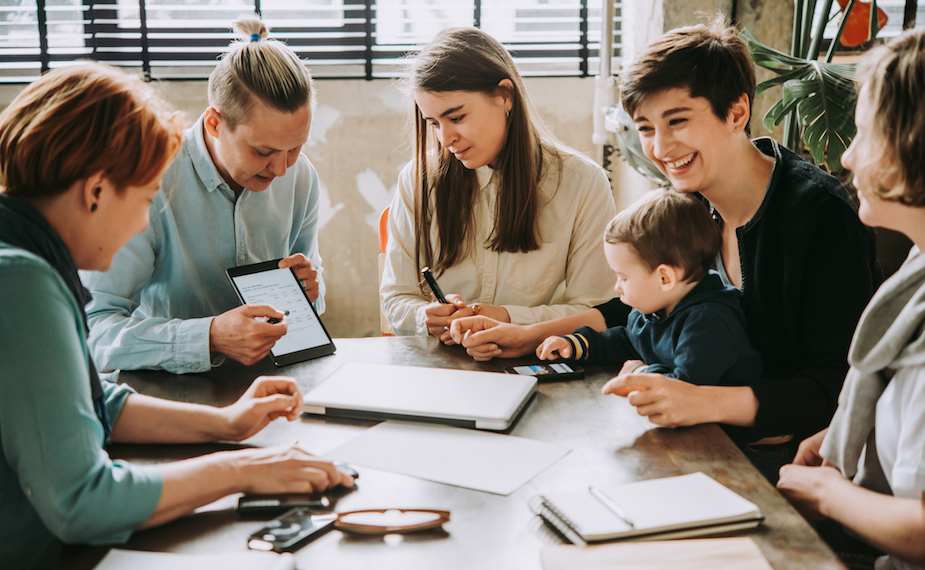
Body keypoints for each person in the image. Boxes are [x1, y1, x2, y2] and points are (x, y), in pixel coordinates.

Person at [451, 17, 881, 481]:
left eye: (677, 121)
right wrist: (526, 335)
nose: (659, 147)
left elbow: (839, 385)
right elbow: (634, 307)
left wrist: (697, 399)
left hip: (793, 463)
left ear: (736, 113)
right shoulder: (689, 199)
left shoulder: (818, 216)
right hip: (696, 442)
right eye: (646, 127)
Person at [0, 63, 353, 570]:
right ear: (96, 192)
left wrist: (226, 423)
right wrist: (243, 469)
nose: (147, 219)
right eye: (145, 199)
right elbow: (83, 502)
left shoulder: (24, 260)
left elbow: (92, 400)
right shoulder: (21, 283)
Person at [83, 15, 326, 374]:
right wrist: (209, 336)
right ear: (215, 123)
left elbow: (311, 309)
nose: (281, 169)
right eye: (262, 152)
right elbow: (94, 332)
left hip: (273, 380)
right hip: (165, 393)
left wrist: (307, 294)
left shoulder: (301, 176)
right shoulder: (148, 179)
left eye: (295, 148)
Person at [777, 27, 925, 570]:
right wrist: (847, 437)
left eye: (865, 134)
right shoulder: (918, 261)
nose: (847, 156)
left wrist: (826, 494)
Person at [380, 26, 617, 339]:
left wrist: (505, 318)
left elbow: (596, 311)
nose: (446, 138)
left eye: (457, 117)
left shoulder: (584, 184)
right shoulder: (418, 180)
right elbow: (396, 299)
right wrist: (426, 317)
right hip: (441, 369)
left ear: (505, 96)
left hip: (538, 363)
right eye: (434, 124)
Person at [537, 189, 761, 387]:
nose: (618, 287)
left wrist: (639, 372)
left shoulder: (708, 323)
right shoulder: (654, 309)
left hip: (735, 433)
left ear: (665, 278)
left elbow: (686, 388)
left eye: (623, 278)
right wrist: (577, 344)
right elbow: (629, 340)